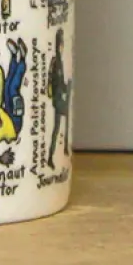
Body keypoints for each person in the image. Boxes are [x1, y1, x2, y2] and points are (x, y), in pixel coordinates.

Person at [47, 28, 72, 168]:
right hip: (58, 100)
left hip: (60, 98)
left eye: (62, 45)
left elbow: (59, 81)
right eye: (60, 45)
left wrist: (66, 85)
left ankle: (64, 149)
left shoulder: (59, 61)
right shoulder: (56, 62)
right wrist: (64, 87)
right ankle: (51, 156)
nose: (62, 48)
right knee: (57, 128)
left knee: (62, 124)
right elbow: (55, 81)